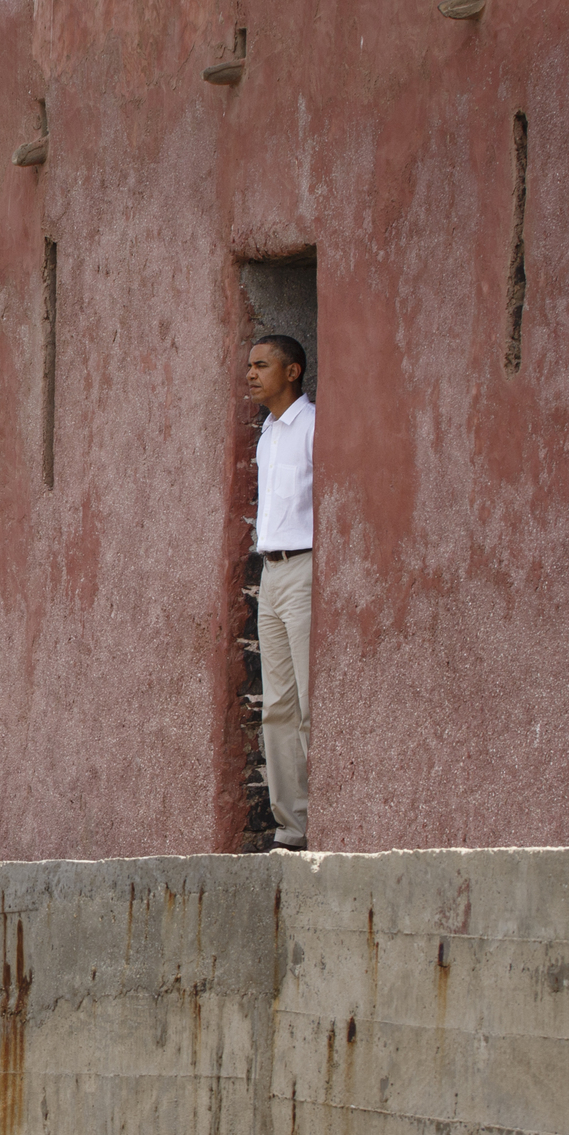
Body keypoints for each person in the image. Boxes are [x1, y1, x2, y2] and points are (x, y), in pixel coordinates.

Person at [245, 334, 313, 850]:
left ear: (291, 372)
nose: (251, 373)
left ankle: (325, 818)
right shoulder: (267, 435)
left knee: (309, 702)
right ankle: (292, 829)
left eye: (262, 365)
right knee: (277, 707)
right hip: (270, 574)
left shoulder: (313, 425)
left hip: (305, 570)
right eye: (250, 365)